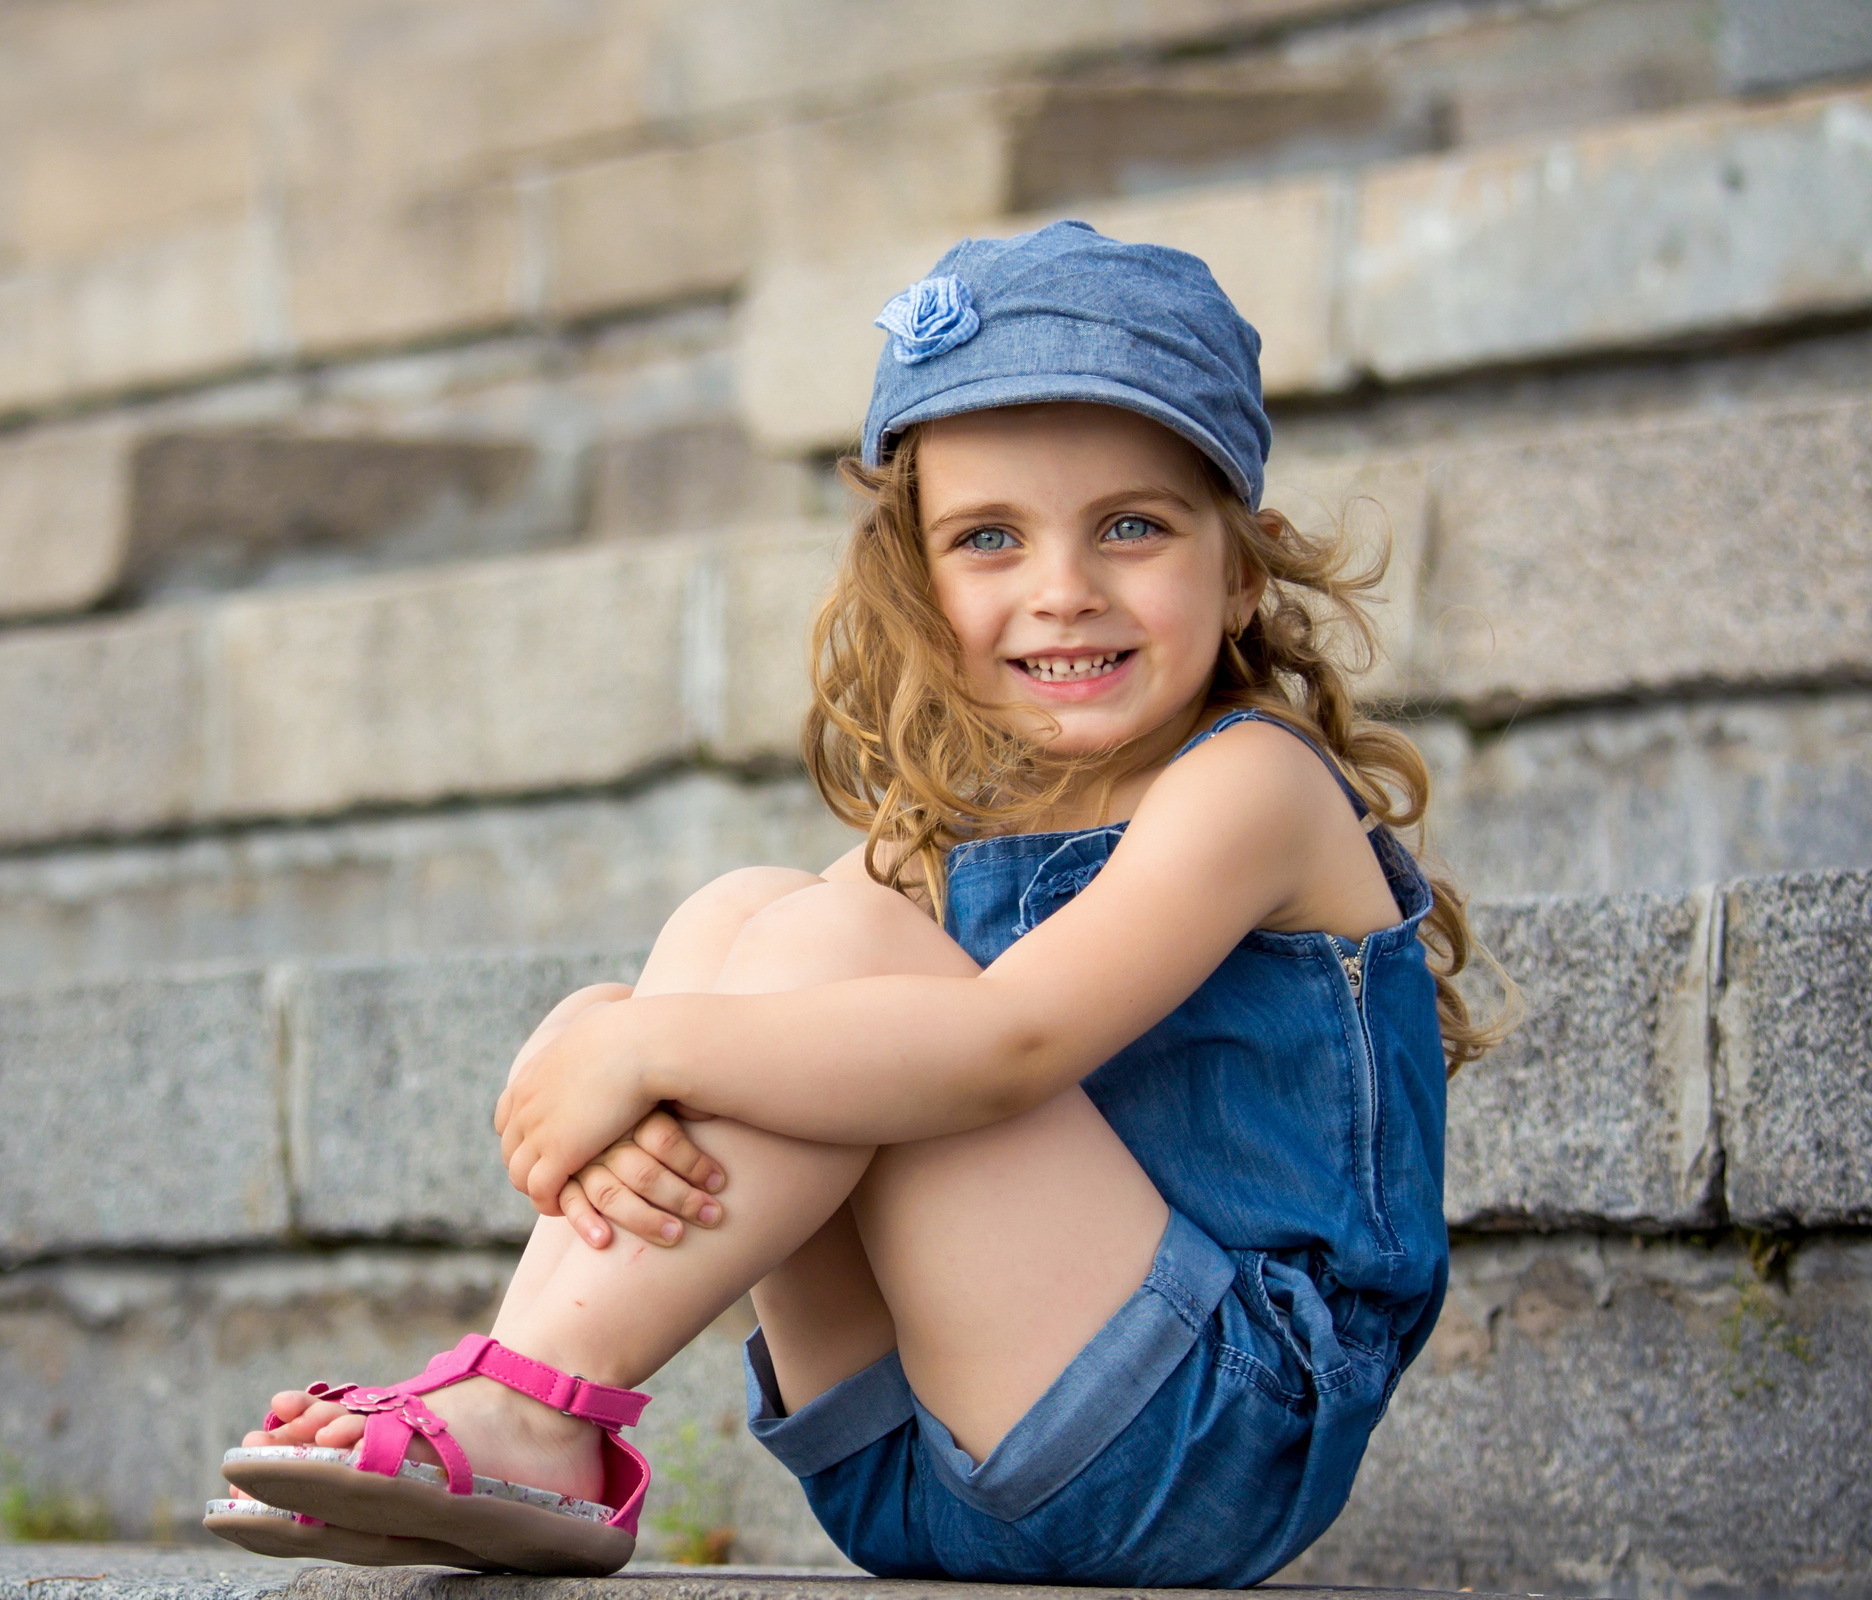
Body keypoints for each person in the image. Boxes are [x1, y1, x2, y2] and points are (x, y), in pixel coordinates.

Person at [203, 221, 1503, 1584]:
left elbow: (1013, 1047)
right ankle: (535, 1395)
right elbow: (761, 984)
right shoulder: (960, 827)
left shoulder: (1254, 786)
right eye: (990, 538)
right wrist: (594, 1027)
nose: (1063, 590)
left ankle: (535, 1404)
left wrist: (646, 1050)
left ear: (1238, 568)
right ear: (920, 585)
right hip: (905, 1465)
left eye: (1132, 526)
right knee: (744, 914)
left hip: (1192, 1444)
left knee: (817, 955)